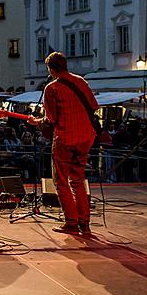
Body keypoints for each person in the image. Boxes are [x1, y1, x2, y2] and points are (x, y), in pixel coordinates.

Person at [29, 52, 99, 235]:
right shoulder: (81, 81)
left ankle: (71, 222)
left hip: (66, 138)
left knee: (61, 181)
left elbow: (51, 119)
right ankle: (85, 223)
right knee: (78, 180)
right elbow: (93, 106)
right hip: (85, 137)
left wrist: (36, 122)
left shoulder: (52, 88)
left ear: (51, 69)